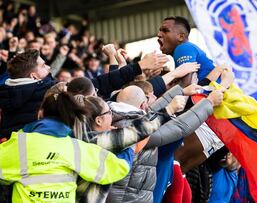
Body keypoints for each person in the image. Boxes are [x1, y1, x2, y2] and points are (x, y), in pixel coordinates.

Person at [0, 49, 167, 139]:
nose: (49, 68)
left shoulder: (8, 94)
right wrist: (138, 66)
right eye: (43, 66)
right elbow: (98, 84)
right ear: (33, 76)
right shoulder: (46, 93)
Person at [0, 92, 132, 202]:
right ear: (72, 120)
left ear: (40, 114)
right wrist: (129, 146)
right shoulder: (76, 148)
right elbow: (118, 168)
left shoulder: (19, 144)